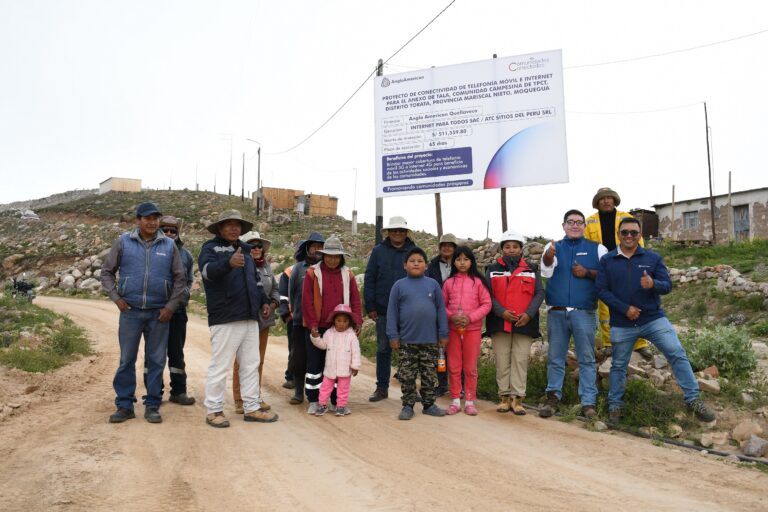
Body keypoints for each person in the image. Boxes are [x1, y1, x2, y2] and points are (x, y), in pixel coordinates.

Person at [596, 217, 716, 423]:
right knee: (618, 365)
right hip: (622, 322)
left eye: (633, 232)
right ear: (618, 235)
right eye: (625, 232)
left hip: (653, 319)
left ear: (639, 235)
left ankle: (693, 399)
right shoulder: (607, 260)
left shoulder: (652, 258)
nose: (629, 236)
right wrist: (625, 309)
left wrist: (653, 284)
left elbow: (667, 285)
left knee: (676, 352)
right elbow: (601, 290)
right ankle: (615, 404)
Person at [101, 201, 186, 424]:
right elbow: (107, 273)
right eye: (147, 218)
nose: (152, 222)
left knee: (156, 360)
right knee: (126, 360)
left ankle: (152, 405)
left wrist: (170, 307)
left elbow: (180, 280)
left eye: (155, 218)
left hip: (159, 314)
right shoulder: (123, 242)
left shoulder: (169, 245)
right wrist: (116, 298)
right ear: (137, 220)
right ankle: (124, 404)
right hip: (130, 311)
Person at [198, 210, 277, 427]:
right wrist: (228, 263)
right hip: (225, 317)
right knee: (220, 365)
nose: (234, 228)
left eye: (237, 225)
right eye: (229, 224)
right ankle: (214, 410)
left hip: (250, 317)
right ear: (220, 228)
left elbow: (256, 282)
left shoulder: (246, 250)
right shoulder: (210, 248)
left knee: (251, 364)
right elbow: (206, 272)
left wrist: (263, 302)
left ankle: (251, 407)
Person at [539, 210, 605, 419]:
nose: (575, 225)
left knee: (586, 359)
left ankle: (588, 403)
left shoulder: (598, 249)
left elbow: (607, 276)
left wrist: (587, 272)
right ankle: (552, 398)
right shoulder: (552, 247)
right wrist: (549, 256)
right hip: (557, 312)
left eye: (579, 222)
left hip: (584, 312)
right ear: (563, 225)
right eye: (571, 222)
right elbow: (545, 272)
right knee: (556, 358)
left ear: (584, 226)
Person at [584, 187, 653, 361]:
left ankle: (640, 345)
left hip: (626, 264)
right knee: (606, 307)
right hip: (603, 267)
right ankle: (609, 344)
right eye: (602, 199)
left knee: (634, 302)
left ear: (614, 201)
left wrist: (640, 262)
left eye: (609, 198)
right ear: (597, 202)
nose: (606, 201)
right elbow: (585, 246)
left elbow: (639, 240)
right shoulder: (589, 221)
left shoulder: (625, 217)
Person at [485, 230, 545, 415]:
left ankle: (517, 399)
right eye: (507, 246)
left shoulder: (531, 270)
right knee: (503, 360)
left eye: (515, 247)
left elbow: (539, 293)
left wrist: (529, 313)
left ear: (521, 249)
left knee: (520, 360)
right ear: (502, 249)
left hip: (524, 323)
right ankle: (504, 397)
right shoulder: (492, 269)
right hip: (499, 322)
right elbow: (487, 294)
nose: (511, 250)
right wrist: (501, 312)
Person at [301, 236, 363, 414]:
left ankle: (337, 401)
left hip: (341, 327)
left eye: (336, 256)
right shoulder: (313, 273)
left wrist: (357, 320)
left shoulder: (347, 274)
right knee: (315, 365)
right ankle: (314, 400)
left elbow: (355, 299)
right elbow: (307, 301)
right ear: (323, 255)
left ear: (341, 257)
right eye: (329, 255)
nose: (332, 259)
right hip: (318, 326)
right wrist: (312, 324)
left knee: (339, 364)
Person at [387, 247, 449, 420]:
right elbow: (392, 313)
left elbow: (441, 311)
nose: (416, 263)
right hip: (406, 341)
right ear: (405, 265)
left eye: (420, 261)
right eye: (412, 261)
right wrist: (393, 335)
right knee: (407, 375)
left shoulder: (433, 285)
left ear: (426, 266)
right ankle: (408, 405)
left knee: (430, 374)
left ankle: (429, 404)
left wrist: (443, 333)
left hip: (430, 340)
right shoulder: (399, 286)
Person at [364, 216, 417, 402]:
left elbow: (420, 278)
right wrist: (370, 305)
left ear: (406, 233)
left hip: (409, 310)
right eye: (394, 230)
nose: (397, 233)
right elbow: (370, 278)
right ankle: (382, 387)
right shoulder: (378, 251)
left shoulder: (413, 252)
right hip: (383, 308)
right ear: (388, 232)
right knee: (383, 348)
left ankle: (410, 388)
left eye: (401, 230)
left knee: (410, 350)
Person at [231, 231, 280, 414]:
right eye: (252, 245)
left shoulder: (266, 267)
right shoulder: (238, 265)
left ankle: (254, 396)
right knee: (241, 360)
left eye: (259, 245)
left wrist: (273, 304)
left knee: (257, 360)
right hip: (243, 319)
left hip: (263, 321)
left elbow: (275, 289)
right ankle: (239, 399)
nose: (257, 249)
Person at [441, 245, 491, 415]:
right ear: (453, 262)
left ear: (472, 261)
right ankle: (455, 399)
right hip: (453, 330)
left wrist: (470, 318)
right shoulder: (448, 283)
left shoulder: (478, 282)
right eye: (458, 259)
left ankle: (469, 400)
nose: (462, 263)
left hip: (472, 330)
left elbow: (486, 304)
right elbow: (442, 305)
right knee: (454, 365)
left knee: (470, 367)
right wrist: (452, 317)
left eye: (466, 259)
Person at [154, 215, 196, 406]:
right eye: (165, 230)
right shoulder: (151, 250)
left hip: (178, 312)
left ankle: (178, 392)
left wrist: (182, 298)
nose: (170, 233)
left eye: (173, 230)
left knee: (176, 352)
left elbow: (188, 280)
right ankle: (154, 393)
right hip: (155, 311)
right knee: (154, 353)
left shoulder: (186, 254)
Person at [287, 232, 326, 405]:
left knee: (319, 359)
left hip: (321, 323)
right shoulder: (298, 269)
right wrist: (294, 315)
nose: (317, 249)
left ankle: (320, 393)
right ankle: (298, 391)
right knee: (298, 357)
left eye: (320, 246)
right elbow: (291, 293)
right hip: (300, 322)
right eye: (314, 246)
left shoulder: (327, 269)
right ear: (308, 248)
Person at [309, 304, 362, 417]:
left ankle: (341, 406)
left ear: (349, 322)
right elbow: (323, 345)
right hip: (330, 368)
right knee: (325, 388)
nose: (342, 323)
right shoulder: (329, 333)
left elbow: (356, 352)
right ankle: (322, 405)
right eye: (339, 320)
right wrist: (316, 338)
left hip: (345, 369)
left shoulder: (351, 336)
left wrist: (355, 366)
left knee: (343, 389)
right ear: (334, 321)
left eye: (345, 321)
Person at [426, 232, 458, 396]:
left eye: (450, 245)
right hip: (437, 314)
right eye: (443, 245)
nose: (446, 248)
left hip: (458, 314)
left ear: (454, 248)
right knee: (440, 351)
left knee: (457, 351)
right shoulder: (431, 266)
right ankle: (442, 383)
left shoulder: (461, 264)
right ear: (439, 248)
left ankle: (460, 385)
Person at [276, 265, 295, 389]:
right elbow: (283, 295)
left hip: (318, 318)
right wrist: (286, 314)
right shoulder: (290, 271)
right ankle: (291, 377)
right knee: (294, 348)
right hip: (295, 318)